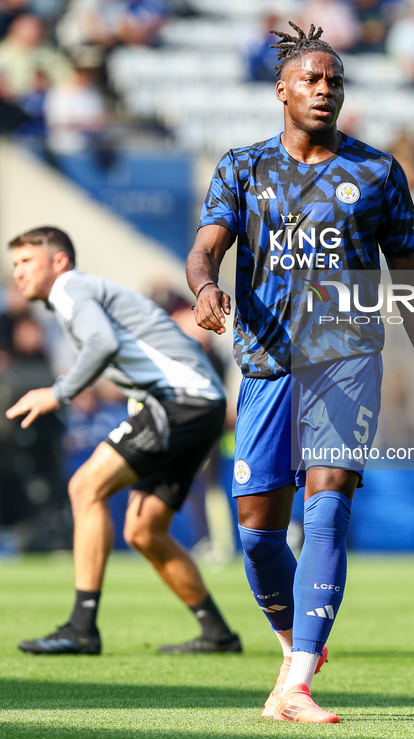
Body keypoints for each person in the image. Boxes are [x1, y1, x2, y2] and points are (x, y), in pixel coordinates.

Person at [185, 21, 414, 724]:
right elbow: (205, 248)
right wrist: (207, 289)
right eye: (311, 79)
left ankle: (299, 679)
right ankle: (293, 646)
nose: (324, 90)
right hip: (268, 364)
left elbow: (411, 281)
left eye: (334, 81)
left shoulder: (376, 172)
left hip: (346, 359)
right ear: (281, 89)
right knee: (255, 531)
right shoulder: (242, 168)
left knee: (329, 499)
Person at [6, 226, 241, 656]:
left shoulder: (70, 288)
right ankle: (218, 634)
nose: (17, 272)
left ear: (58, 262)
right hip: (199, 404)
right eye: (15, 263)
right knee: (144, 530)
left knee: (84, 487)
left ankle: (81, 627)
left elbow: (102, 342)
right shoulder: (83, 293)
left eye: (26, 261)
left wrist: (57, 393)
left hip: (178, 401)